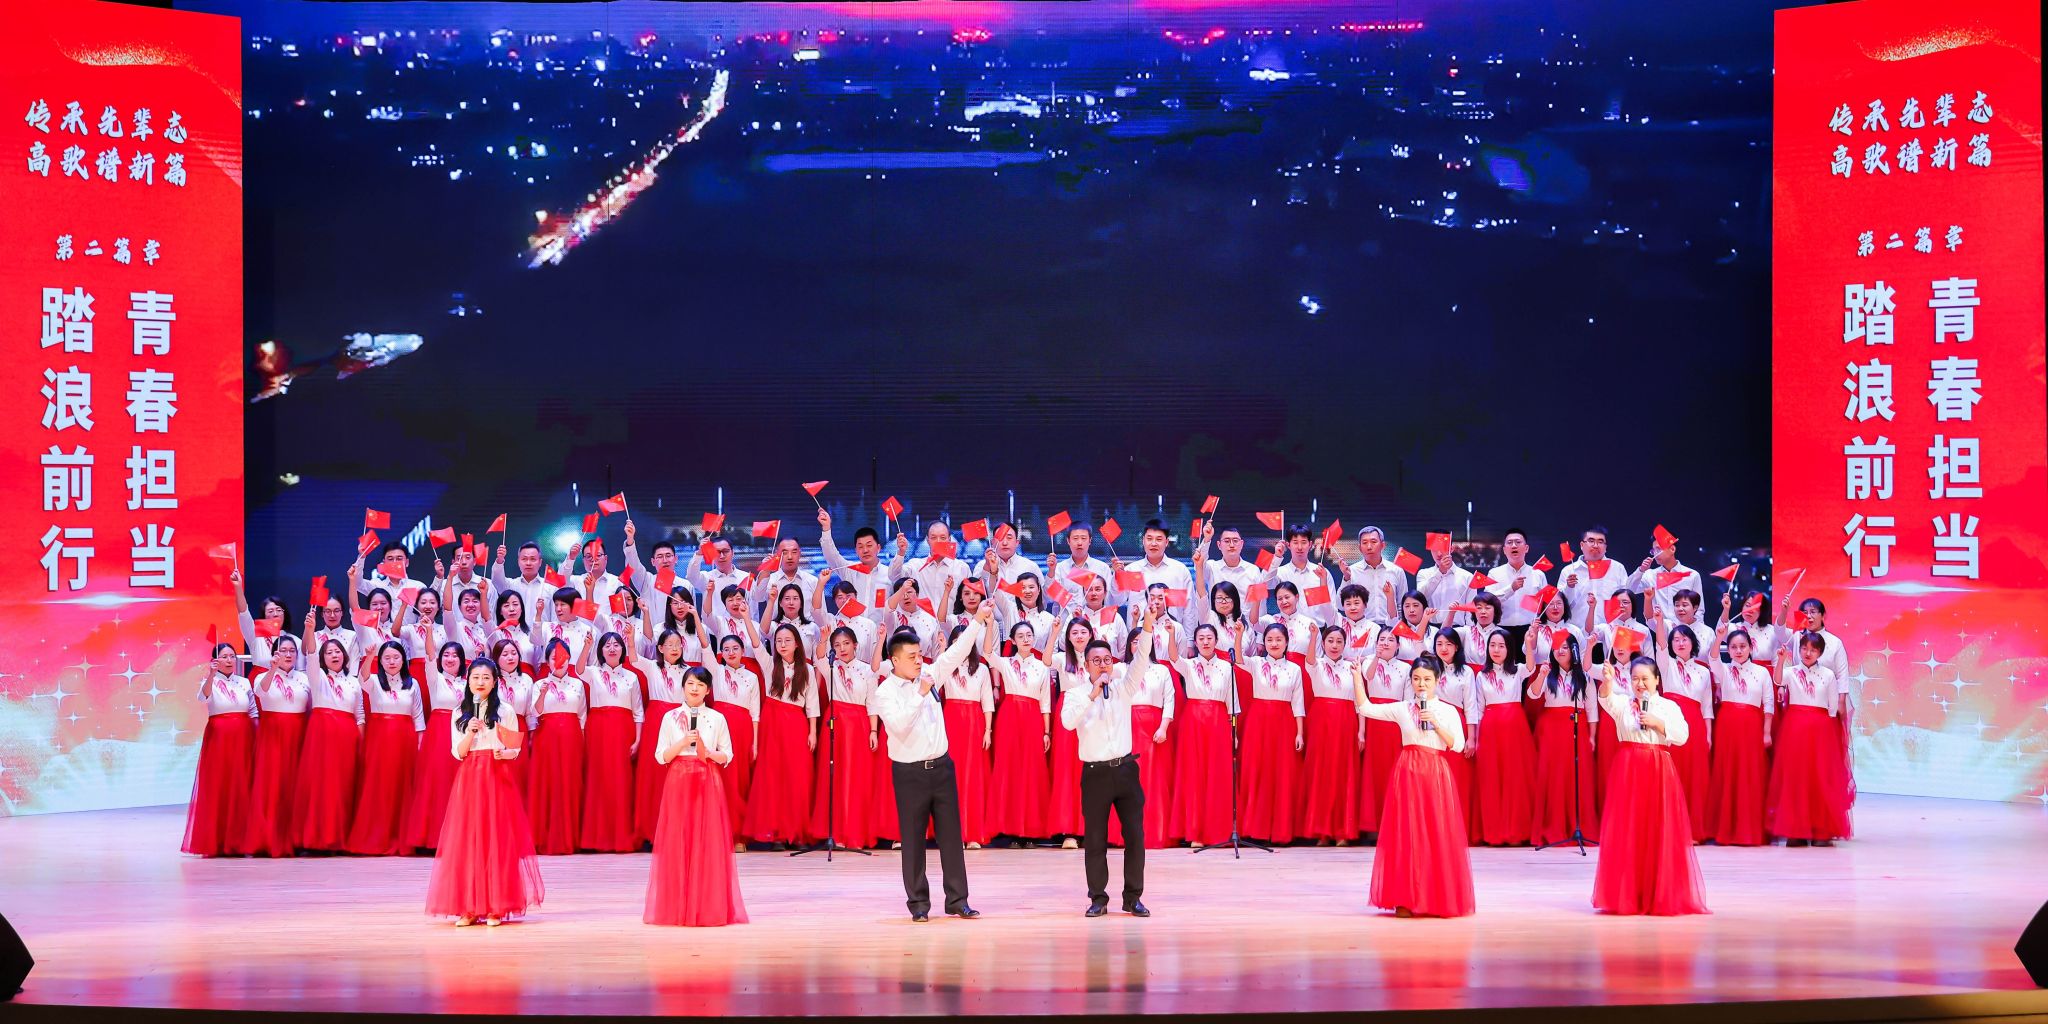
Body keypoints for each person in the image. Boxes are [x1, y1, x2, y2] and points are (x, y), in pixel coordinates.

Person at [873, 605, 993, 922]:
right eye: (911, 657)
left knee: (952, 836)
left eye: (919, 655)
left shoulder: (928, 674)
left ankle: (958, 900)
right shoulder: (885, 692)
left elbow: (955, 653)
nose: (919, 661)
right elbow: (899, 726)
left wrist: (977, 621)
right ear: (895, 660)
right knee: (913, 840)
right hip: (909, 773)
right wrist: (920, 694)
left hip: (941, 767)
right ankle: (918, 904)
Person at [1351, 653, 1474, 918]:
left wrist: (1436, 723)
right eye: (1416, 679)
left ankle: (1437, 897)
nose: (1421, 684)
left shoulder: (1448, 710)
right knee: (1406, 834)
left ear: (1438, 681)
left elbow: (1458, 745)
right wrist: (1357, 678)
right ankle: (1405, 898)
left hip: (1435, 773)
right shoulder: (1403, 708)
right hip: (1407, 771)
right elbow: (1366, 708)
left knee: (1436, 832)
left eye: (1427, 679)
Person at [425, 658, 543, 927]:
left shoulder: (506, 710)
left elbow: (515, 749)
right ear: (468, 681)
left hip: (497, 775)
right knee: (468, 841)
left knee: (496, 839)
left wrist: (505, 752)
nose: (480, 682)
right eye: (476, 677)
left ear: (495, 682)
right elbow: (458, 752)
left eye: (486, 677)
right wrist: (470, 732)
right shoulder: (460, 712)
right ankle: (468, 907)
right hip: (470, 777)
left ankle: (495, 907)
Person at [1591, 658, 1709, 916]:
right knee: (1629, 829)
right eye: (1635, 678)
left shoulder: (1668, 706)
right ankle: (1629, 893)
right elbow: (1606, 699)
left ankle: (1660, 893)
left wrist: (1658, 723)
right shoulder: (1624, 703)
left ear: (1657, 680)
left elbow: (1682, 735)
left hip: (1658, 768)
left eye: (1645, 678)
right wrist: (1608, 681)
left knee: (1658, 829)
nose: (1640, 684)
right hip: (1628, 768)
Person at [1065, 609, 1161, 917]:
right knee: (1095, 839)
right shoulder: (1076, 694)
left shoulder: (1124, 688)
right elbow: (1067, 722)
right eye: (1097, 660)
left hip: (1126, 770)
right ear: (1086, 664)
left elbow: (1141, 658)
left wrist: (1147, 626)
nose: (1103, 665)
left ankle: (1133, 897)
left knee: (1135, 836)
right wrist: (1092, 694)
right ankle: (1098, 898)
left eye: (1107, 659)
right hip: (1095, 774)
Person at [644, 668, 750, 927]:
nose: (694, 688)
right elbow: (661, 756)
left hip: (707, 779)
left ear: (708, 690)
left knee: (707, 840)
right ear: (683, 687)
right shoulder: (670, 717)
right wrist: (683, 743)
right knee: (678, 840)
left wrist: (708, 752)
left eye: (700, 685)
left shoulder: (717, 717)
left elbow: (727, 755)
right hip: (679, 780)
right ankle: (676, 906)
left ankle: (706, 905)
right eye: (690, 683)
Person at [1768, 633, 1853, 846]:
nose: (1808, 653)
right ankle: (1795, 831)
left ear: (1820, 653)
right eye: (1804, 648)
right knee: (1796, 778)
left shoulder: (1828, 675)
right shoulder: (1791, 672)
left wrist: (1827, 734)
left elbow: (1832, 708)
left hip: (1820, 730)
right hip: (1795, 729)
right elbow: (1777, 680)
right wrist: (1781, 660)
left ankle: (1820, 831)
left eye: (1813, 650)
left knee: (1819, 777)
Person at [743, 621, 820, 847]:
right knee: (773, 778)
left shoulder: (807, 670)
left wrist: (813, 732)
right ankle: (776, 834)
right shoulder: (770, 664)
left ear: (797, 644)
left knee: (797, 778)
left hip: (796, 723)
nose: (783, 645)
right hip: (772, 724)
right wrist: (746, 617)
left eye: (787, 640)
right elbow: (756, 644)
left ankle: (796, 833)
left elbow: (812, 704)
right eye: (778, 641)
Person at [346, 641, 425, 856]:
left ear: (403, 660)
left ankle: (401, 838)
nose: (392, 662)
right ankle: (375, 837)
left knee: (402, 787)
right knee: (379, 786)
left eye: (396, 657)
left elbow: (418, 717)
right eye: (387, 658)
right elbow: (362, 679)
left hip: (405, 740)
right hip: (380, 740)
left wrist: (420, 746)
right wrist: (369, 657)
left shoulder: (413, 684)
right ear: (380, 661)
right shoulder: (374, 681)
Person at [182, 642, 259, 857]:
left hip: (243, 738)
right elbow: (202, 697)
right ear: (215, 660)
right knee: (220, 786)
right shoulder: (210, 682)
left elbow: (253, 711)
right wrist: (211, 675)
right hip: (219, 739)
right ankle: (218, 840)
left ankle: (241, 840)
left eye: (232, 656)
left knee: (242, 785)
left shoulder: (244, 682)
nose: (229, 660)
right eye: (224, 656)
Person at [1167, 622, 1238, 848]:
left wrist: (1233, 731)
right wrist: (1171, 635)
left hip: (1218, 721)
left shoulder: (1227, 666)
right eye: (1201, 638)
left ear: (1216, 641)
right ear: (1195, 642)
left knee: (1217, 775)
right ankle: (1195, 831)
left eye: (1209, 638)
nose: (1206, 642)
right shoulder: (1189, 665)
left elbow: (1232, 703)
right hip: (1194, 720)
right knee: (1194, 774)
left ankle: (1218, 832)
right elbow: (1173, 659)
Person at [293, 627, 364, 852]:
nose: (334, 655)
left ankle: (338, 838)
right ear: (323, 658)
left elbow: (360, 715)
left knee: (342, 787)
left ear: (345, 655)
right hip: (322, 735)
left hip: (347, 737)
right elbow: (311, 655)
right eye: (329, 652)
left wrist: (360, 741)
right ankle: (316, 838)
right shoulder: (318, 678)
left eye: (337, 651)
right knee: (320, 786)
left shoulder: (354, 682)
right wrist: (310, 630)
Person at [1647, 604, 1713, 843]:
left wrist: (1708, 734)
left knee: (1695, 778)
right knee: (1670, 775)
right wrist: (1659, 621)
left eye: (1685, 639)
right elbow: (1660, 646)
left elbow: (1707, 706)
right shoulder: (1667, 665)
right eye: (1676, 640)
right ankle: (1668, 829)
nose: (1680, 643)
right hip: (1670, 720)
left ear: (1693, 643)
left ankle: (1693, 830)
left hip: (1695, 724)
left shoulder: (1703, 672)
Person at [1526, 629, 1598, 846]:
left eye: (1565, 647)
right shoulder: (1548, 673)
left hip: (1577, 727)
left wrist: (1592, 737)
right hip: (1551, 729)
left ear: (1573, 650)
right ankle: (1554, 827)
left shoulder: (1584, 677)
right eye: (1556, 647)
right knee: (1553, 778)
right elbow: (1533, 694)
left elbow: (1592, 708)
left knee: (1577, 778)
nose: (1560, 651)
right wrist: (1541, 675)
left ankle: (1578, 826)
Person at [811, 626, 881, 849]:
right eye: (837, 645)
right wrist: (823, 640)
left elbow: (872, 702)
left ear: (855, 645)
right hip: (836, 723)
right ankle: (837, 833)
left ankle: (855, 833)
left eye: (846, 644)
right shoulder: (831, 667)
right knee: (835, 777)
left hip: (859, 724)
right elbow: (820, 657)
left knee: (857, 778)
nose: (842, 649)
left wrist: (873, 731)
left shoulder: (867, 670)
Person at [1466, 628, 1535, 846]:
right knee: (1492, 778)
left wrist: (1528, 643)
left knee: (1515, 778)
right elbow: (1478, 707)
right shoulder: (1481, 675)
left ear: (1509, 649)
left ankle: (1516, 831)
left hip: (1515, 728)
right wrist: (1476, 738)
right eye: (1492, 645)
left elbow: (1531, 667)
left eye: (1501, 646)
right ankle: (1494, 832)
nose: (1496, 650)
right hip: (1490, 729)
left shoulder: (1517, 671)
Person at [1704, 625, 1772, 846]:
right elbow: (1713, 658)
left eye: (1743, 646)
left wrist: (1767, 732)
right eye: (1733, 647)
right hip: (1728, 726)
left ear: (1751, 647)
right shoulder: (1724, 670)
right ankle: (1726, 829)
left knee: (1749, 775)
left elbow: (1768, 704)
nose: (1738, 651)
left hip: (1752, 726)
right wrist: (1719, 638)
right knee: (1728, 774)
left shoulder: (1762, 672)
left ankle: (1749, 830)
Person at [1238, 621, 1305, 844]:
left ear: (1287, 642)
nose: (1274, 643)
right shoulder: (1256, 663)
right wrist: (1239, 635)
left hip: (1284, 722)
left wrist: (1299, 733)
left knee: (1281, 773)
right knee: (1258, 771)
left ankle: (1281, 831)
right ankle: (1256, 829)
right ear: (1264, 642)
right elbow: (1239, 659)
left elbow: (1298, 703)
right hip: (1258, 721)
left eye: (1278, 640)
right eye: (1269, 640)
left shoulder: (1294, 669)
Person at [243, 632, 309, 858]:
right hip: (273, 737)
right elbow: (260, 692)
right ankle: (268, 838)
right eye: (283, 651)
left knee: (295, 786)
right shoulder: (263, 677)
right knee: (272, 786)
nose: (288, 655)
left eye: (292, 651)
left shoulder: (304, 678)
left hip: (298, 735)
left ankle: (296, 838)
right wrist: (272, 669)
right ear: (274, 654)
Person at [987, 622, 1053, 844]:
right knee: (1010, 770)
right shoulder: (1006, 663)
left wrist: (1047, 731)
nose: (1026, 639)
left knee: (1031, 772)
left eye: (1029, 635)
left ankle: (1031, 830)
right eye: (1021, 636)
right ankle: (1011, 830)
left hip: (1033, 718)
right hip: (1009, 717)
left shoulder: (1042, 666)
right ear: (1013, 640)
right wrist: (989, 624)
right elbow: (987, 653)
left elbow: (1045, 702)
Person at [579, 629, 645, 852]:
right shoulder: (594, 672)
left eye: (616, 644)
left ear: (622, 649)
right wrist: (586, 646)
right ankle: (597, 838)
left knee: (621, 781)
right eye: (607, 645)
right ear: (601, 650)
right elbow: (579, 670)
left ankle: (620, 837)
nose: (612, 648)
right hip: (598, 730)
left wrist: (638, 739)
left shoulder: (631, 677)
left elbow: (638, 711)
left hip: (623, 730)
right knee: (598, 781)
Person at [403, 637, 470, 852]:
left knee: (458, 785)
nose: (450, 659)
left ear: (462, 660)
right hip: (439, 733)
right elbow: (430, 657)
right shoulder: (435, 678)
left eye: (455, 655)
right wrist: (430, 632)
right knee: (436, 783)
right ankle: (432, 838)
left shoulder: (468, 683)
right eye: (446, 655)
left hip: (461, 732)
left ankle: (459, 839)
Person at [1297, 625, 1361, 845]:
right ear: (1323, 644)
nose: (1334, 645)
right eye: (1330, 641)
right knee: (1321, 772)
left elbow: (1359, 702)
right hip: (1321, 721)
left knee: (1343, 773)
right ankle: (1322, 831)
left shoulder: (1352, 667)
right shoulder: (1317, 665)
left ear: (1345, 644)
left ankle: (1343, 831)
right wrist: (1314, 636)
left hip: (1346, 721)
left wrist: (1361, 731)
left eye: (1339, 641)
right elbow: (1309, 660)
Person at [937, 620, 997, 848]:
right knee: (951, 777)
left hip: (974, 723)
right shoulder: (946, 666)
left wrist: (988, 730)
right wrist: (942, 651)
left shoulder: (981, 669)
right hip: (951, 720)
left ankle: (973, 833)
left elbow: (987, 702)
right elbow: (934, 683)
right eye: (956, 642)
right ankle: (952, 835)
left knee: (973, 777)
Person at [527, 640, 588, 855]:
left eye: (562, 657)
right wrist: (543, 693)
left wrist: (581, 740)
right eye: (554, 658)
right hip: (547, 736)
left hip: (572, 736)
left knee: (570, 784)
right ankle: (544, 837)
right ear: (547, 661)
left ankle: (571, 838)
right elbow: (535, 713)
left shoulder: (577, 684)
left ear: (568, 659)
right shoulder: (539, 684)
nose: (558, 662)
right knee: (548, 784)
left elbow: (582, 716)